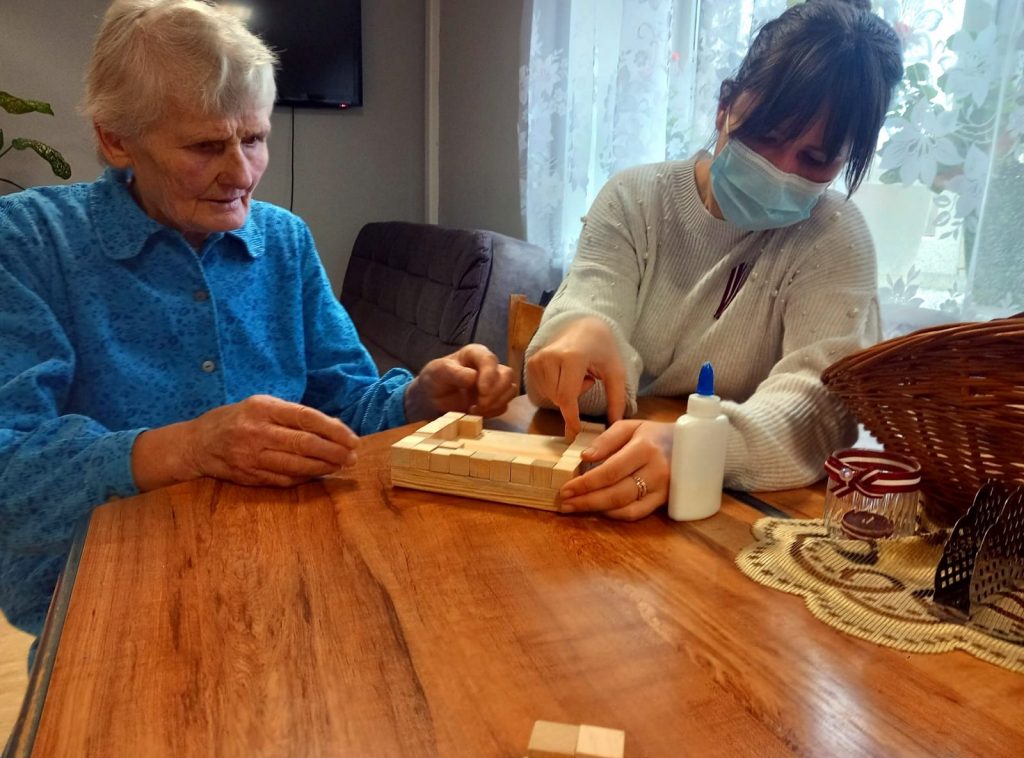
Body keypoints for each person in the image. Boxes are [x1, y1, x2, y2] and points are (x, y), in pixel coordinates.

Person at [0, 0, 516, 643]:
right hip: (108, 606)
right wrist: (190, 447)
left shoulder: (283, 240)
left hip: (288, 573)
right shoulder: (30, 242)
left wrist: (420, 398)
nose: (241, 174)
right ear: (115, 140)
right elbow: (12, 468)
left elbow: (343, 406)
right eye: (205, 146)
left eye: (254, 138)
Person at [524, 0, 903, 520]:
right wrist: (577, 337)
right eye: (766, 135)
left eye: (815, 160)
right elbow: (566, 386)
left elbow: (819, 412)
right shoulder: (634, 199)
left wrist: (699, 448)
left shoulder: (834, 238)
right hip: (600, 477)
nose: (780, 169)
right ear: (725, 106)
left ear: (843, 162)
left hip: (727, 508)